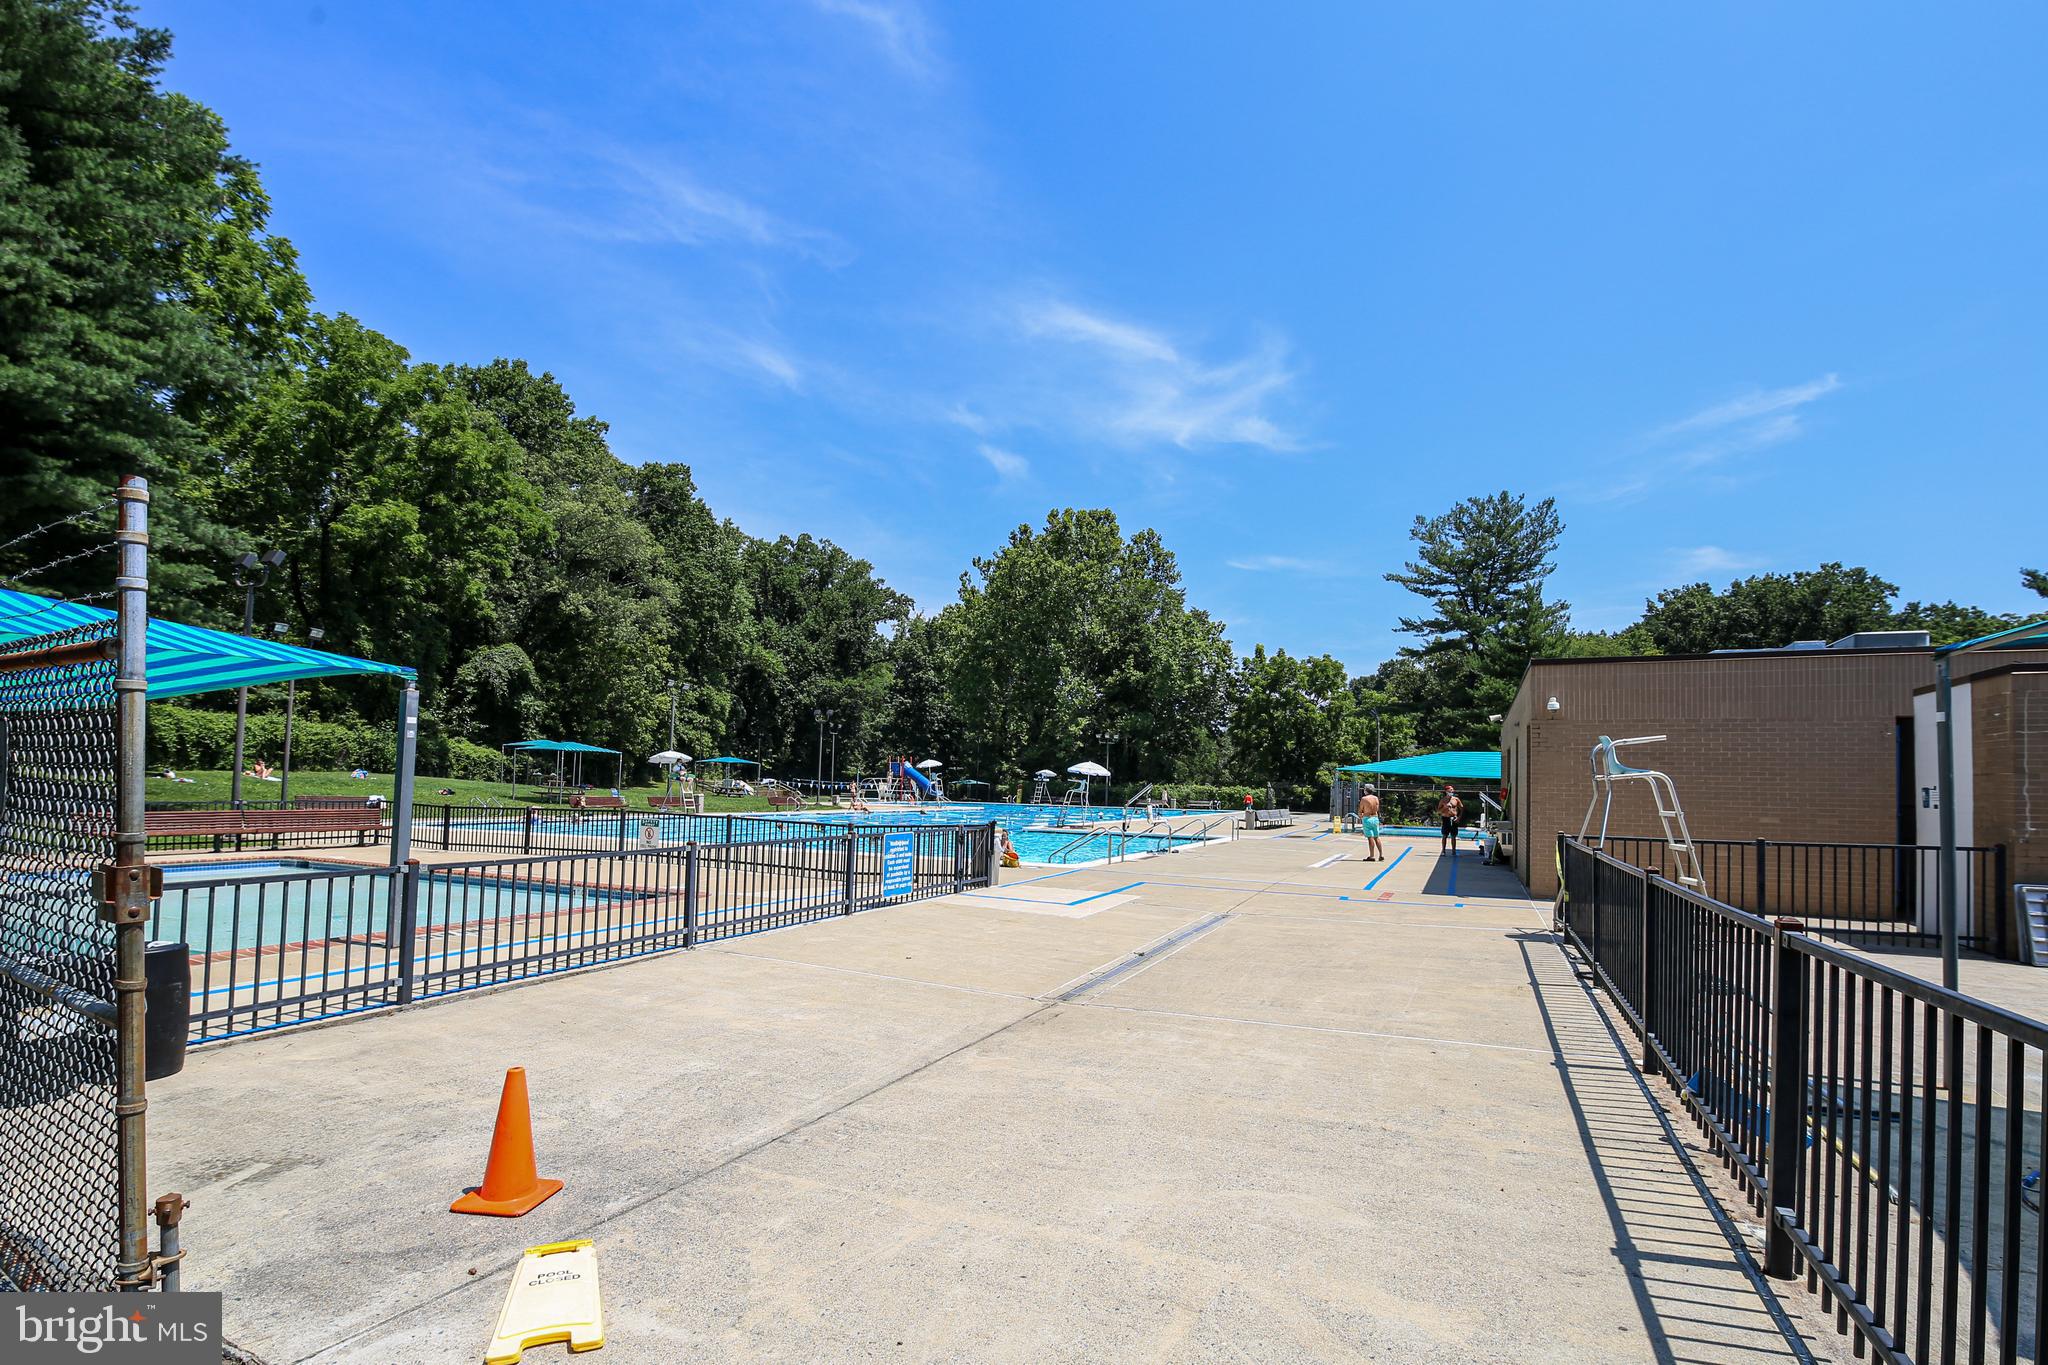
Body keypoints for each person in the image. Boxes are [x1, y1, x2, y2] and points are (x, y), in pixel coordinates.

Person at [1356, 783, 1385, 862]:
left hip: (1367, 818)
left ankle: (1372, 856)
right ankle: (1381, 854)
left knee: (1370, 838)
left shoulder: (1364, 799)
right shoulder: (1376, 798)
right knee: (1377, 837)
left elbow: (1360, 810)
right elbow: (1377, 809)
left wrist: (1361, 815)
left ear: (1366, 790)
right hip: (1375, 818)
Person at [1436, 783, 1463, 855]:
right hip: (1446, 818)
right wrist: (1444, 807)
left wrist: (1459, 817)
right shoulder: (1443, 800)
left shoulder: (1456, 799)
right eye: (1450, 790)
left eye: (1452, 790)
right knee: (1445, 835)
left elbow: (1462, 809)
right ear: (1446, 791)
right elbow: (1438, 811)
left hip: (1454, 818)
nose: (1452, 791)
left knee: (1453, 836)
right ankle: (1443, 851)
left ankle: (1453, 851)